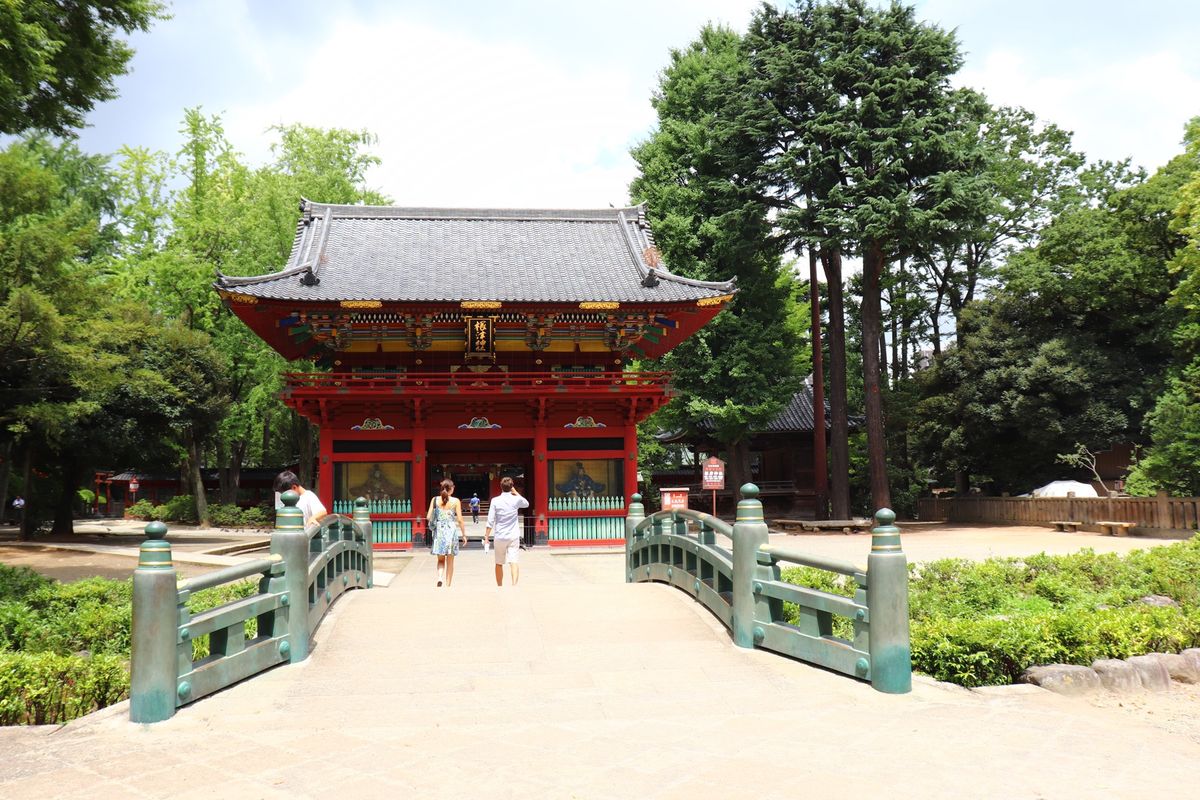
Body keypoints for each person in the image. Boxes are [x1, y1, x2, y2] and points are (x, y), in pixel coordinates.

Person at [484, 477, 529, 586]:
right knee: (514, 561)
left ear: (501, 487)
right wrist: (516, 492)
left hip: (500, 535)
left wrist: (486, 536)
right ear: (512, 486)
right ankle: (514, 585)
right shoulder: (516, 499)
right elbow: (526, 503)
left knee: (499, 563)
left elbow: (490, 520)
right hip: (513, 535)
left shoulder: (495, 500)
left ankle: (500, 586)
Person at [426, 478, 467, 587]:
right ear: (451, 488)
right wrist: (464, 535)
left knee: (440, 559)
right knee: (450, 561)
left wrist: (437, 521)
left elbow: (428, 516)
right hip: (451, 532)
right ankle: (448, 585)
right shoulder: (455, 501)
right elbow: (460, 520)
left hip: (439, 532)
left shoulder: (434, 500)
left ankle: (440, 577)